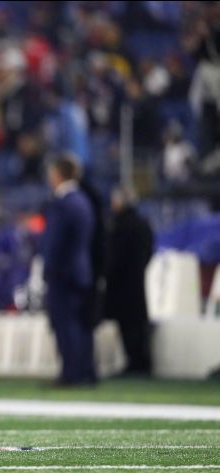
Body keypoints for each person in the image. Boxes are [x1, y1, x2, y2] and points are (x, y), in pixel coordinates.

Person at [42, 155, 96, 387]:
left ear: (57, 174)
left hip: (63, 273)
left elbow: (54, 242)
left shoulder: (63, 203)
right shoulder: (83, 200)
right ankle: (84, 371)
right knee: (79, 324)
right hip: (79, 270)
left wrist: (49, 268)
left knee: (65, 324)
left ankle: (72, 373)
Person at [105, 187, 154, 376]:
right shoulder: (143, 223)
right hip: (137, 281)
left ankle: (135, 363)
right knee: (138, 324)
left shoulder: (119, 225)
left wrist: (108, 273)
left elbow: (114, 256)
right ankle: (142, 362)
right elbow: (149, 251)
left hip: (121, 284)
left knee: (127, 325)